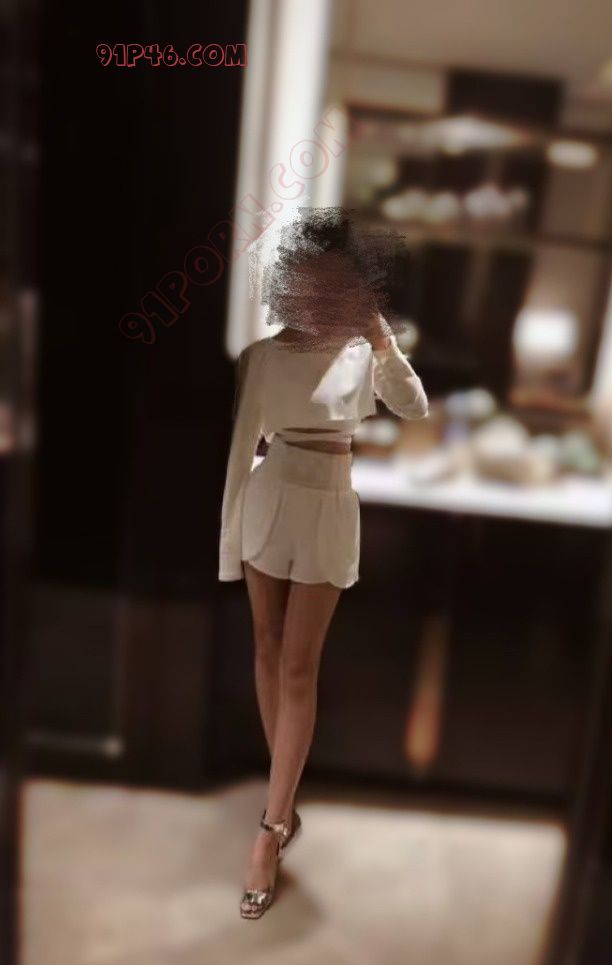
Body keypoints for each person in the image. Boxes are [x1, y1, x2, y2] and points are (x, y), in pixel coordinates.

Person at [218, 209, 428, 919]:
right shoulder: (261, 358)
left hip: (331, 505)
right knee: (267, 646)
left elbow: (414, 406)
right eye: (309, 278)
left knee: (300, 667)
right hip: (268, 500)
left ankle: (269, 827)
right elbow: (239, 455)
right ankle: (284, 807)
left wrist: (381, 336)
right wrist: (228, 545)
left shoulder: (361, 352)